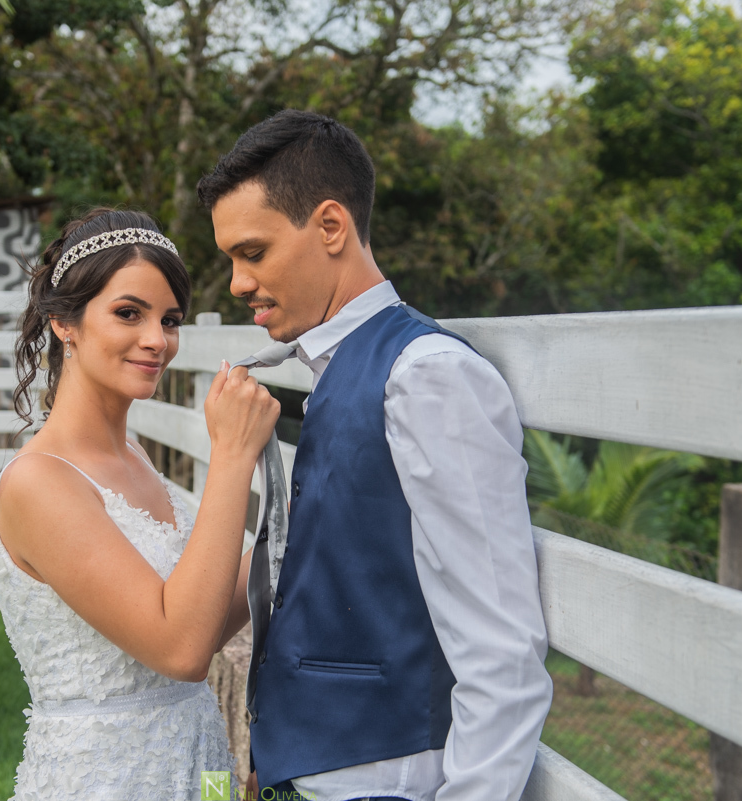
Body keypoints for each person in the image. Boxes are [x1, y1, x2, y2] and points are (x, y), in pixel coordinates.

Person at [197, 110, 554, 801]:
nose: (238, 282)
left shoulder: (428, 374)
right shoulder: (332, 368)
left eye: (253, 252)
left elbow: (501, 647)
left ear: (331, 226)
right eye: (231, 260)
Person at [0, 208, 280, 799]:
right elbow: (181, 649)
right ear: (63, 322)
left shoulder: (138, 457)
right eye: (129, 313)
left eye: (170, 320)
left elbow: (201, 615)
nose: (157, 340)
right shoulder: (38, 483)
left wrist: (293, 530)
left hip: (199, 760)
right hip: (106, 776)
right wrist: (231, 457)